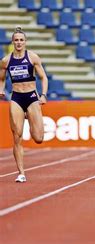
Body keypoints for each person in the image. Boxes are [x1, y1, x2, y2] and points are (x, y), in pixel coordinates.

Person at [0, 27, 48, 183]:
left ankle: (30, 115)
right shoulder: (6, 61)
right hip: (16, 98)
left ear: (25, 42)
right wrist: (1, 90)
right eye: (16, 40)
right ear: (13, 42)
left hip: (32, 97)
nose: (19, 42)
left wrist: (43, 95)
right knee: (17, 136)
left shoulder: (32, 57)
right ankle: (21, 173)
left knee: (38, 138)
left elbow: (43, 78)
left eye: (21, 40)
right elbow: (1, 78)